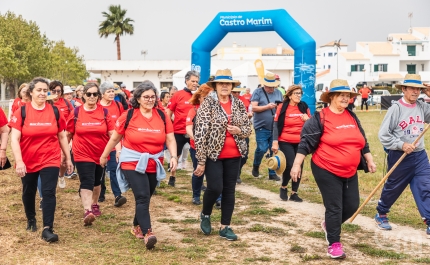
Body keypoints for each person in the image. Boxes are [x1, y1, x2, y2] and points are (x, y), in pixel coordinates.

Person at [290, 79, 376, 259]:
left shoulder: (352, 116)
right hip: (326, 168)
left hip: (350, 170)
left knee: (352, 205)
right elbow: (305, 144)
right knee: (334, 207)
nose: (346, 98)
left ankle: (329, 225)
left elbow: (362, 141)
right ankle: (334, 243)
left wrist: (369, 159)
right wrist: (297, 164)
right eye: (341, 95)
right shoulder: (320, 118)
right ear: (332, 97)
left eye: (348, 95)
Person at [100, 81, 177, 249]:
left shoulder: (162, 116)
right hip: (131, 160)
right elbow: (115, 138)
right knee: (142, 196)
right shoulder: (128, 115)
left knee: (146, 196)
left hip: (153, 161)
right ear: (138, 98)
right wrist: (105, 155)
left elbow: (170, 138)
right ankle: (148, 233)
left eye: (152, 97)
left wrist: (173, 157)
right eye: (146, 97)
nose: (150, 100)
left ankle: (136, 225)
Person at [9, 77, 73, 242]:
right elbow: (14, 138)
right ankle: (31, 218)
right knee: (28, 192)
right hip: (28, 158)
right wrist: (20, 161)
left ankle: (48, 228)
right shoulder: (22, 112)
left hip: (50, 157)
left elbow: (61, 136)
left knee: (48, 192)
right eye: (39, 90)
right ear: (31, 92)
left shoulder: (54, 111)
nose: (43, 93)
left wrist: (67, 157)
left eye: (46, 91)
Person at [194, 69, 252, 241]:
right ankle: (205, 214)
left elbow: (248, 129)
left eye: (228, 83)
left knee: (229, 191)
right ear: (216, 86)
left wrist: (239, 130)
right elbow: (200, 133)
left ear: (232, 86)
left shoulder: (239, 103)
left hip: (234, 154)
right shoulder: (208, 104)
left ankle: (225, 227)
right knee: (215, 187)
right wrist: (201, 160)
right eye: (221, 83)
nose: (225, 86)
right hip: (213, 155)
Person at [375, 74, 430, 239]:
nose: (415, 92)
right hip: (400, 155)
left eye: (418, 89)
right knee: (393, 187)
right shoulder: (396, 108)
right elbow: (383, 135)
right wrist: (401, 145)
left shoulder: (422, 106)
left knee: (425, 186)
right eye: (412, 88)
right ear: (404, 89)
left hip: (420, 155)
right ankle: (381, 213)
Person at [66, 82, 115, 225]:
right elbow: (68, 134)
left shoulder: (104, 113)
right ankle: (87, 210)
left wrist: (118, 149)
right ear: (83, 96)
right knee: (86, 180)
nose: (92, 96)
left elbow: (113, 134)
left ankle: (94, 204)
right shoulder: (76, 113)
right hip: (81, 153)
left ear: (98, 96)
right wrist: (64, 153)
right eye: (89, 94)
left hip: (101, 153)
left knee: (97, 181)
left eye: (95, 94)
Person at [271, 85, 310, 202]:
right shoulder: (282, 107)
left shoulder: (303, 106)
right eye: (296, 93)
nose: (299, 96)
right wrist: (275, 142)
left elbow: (312, 123)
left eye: (300, 93)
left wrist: (307, 119)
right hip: (285, 141)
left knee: (299, 166)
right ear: (289, 95)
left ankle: (294, 193)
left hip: (301, 142)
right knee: (290, 164)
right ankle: (283, 187)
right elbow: (276, 125)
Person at [166, 71, 199, 186]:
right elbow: (168, 112)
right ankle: (172, 177)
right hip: (179, 131)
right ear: (186, 81)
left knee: (198, 156)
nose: (195, 83)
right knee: (176, 155)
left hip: (196, 132)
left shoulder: (200, 95)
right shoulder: (178, 95)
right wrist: (169, 127)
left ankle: (199, 180)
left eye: (196, 81)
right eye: (192, 81)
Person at [98, 82, 127, 207]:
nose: (112, 93)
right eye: (109, 91)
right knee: (100, 170)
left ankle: (117, 195)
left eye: (113, 91)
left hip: (115, 143)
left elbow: (122, 122)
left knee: (114, 168)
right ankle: (100, 192)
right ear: (102, 94)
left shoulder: (118, 105)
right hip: (100, 143)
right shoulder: (97, 106)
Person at [250, 72, 283, 180]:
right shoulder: (258, 92)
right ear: (264, 85)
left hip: (274, 127)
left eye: (273, 86)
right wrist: (267, 107)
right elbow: (254, 108)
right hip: (261, 126)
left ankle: (272, 173)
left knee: (274, 149)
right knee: (262, 148)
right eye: (269, 87)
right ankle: (256, 165)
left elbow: (282, 108)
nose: (271, 89)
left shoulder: (278, 93)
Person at [186, 83, 213, 205]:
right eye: (205, 98)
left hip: (213, 148)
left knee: (214, 173)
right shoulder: (194, 110)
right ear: (199, 97)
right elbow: (188, 127)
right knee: (198, 172)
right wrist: (196, 139)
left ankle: (217, 198)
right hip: (196, 147)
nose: (208, 100)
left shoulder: (216, 110)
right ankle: (196, 195)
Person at [49, 80, 74, 189]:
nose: (56, 93)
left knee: (63, 160)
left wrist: (71, 138)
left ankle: (61, 175)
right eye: (53, 91)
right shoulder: (46, 102)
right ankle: (50, 180)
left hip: (65, 134)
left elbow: (73, 118)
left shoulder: (66, 103)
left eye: (58, 91)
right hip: (51, 135)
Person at [231, 87, 252, 184]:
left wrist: (248, 115)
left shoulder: (242, 99)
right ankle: (234, 175)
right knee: (234, 155)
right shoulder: (227, 101)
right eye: (234, 92)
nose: (236, 94)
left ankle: (237, 171)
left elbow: (248, 110)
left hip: (242, 131)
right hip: (231, 132)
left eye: (238, 92)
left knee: (244, 155)